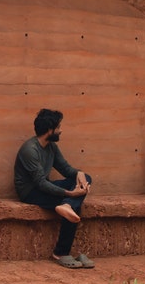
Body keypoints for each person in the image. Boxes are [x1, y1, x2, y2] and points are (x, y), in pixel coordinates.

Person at [14, 108, 94, 269]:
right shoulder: (30, 150)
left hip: (44, 186)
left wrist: (79, 174)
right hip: (31, 192)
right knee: (74, 206)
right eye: (58, 127)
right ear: (50, 130)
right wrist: (70, 193)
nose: (61, 130)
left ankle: (67, 205)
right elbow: (40, 183)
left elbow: (65, 169)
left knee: (86, 179)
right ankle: (61, 252)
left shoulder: (51, 147)